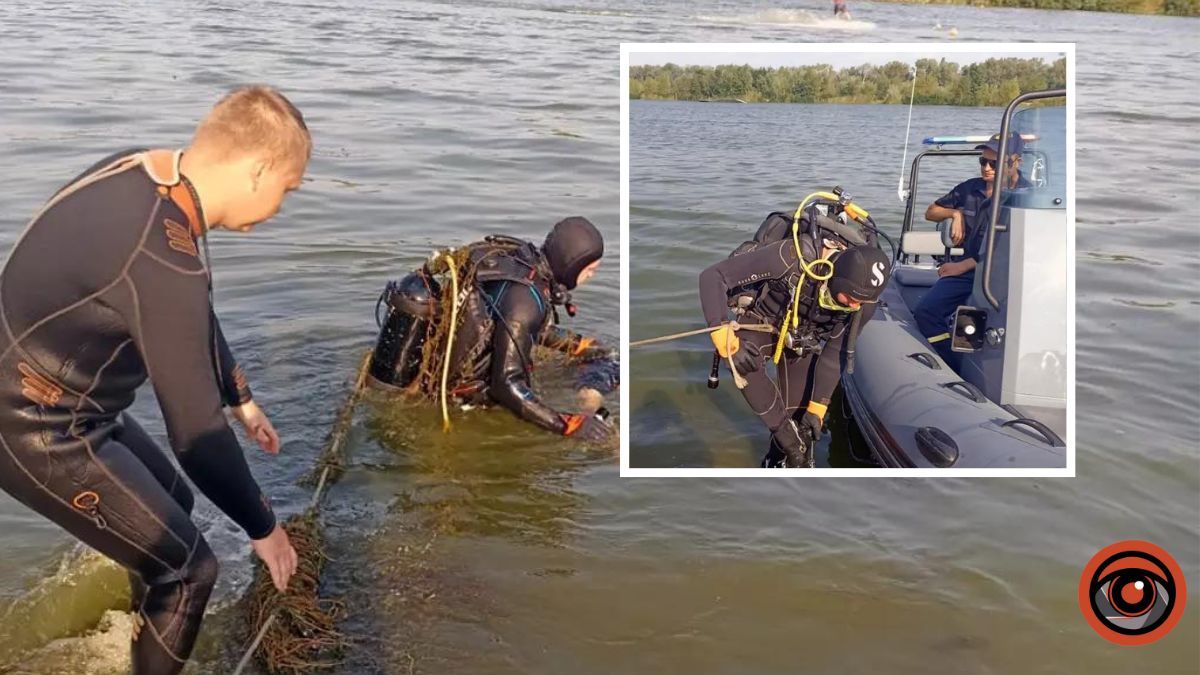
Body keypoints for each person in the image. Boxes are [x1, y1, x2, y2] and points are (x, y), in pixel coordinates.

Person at [0, 86, 310, 674]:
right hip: (30, 421)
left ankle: (135, 641)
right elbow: (195, 436)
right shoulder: (160, 251)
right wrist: (265, 527)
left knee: (176, 506)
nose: (278, 209)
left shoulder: (150, 177)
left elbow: (191, 311)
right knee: (190, 571)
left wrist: (240, 397)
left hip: (67, 402)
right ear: (258, 169)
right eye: (285, 191)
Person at [368, 217, 615, 442]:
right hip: (459, 403)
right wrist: (567, 425)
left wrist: (578, 344)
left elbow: (513, 325)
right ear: (571, 264)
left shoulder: (513, 262)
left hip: (431, 372)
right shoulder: (527, 299)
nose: (590, 277)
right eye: (590, 269)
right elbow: (506, 385)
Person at [698, 200, 892, 468]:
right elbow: (713, 277)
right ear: (832, 276)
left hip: (805, 337)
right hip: (764, 320)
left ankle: (777, 461)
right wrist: (721, 333)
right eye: (848, 298)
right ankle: (784, 438)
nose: (853, 306)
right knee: (741, 360)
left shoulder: (862, 304)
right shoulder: (790, 257)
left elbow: (834, 354)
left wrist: (818, 408)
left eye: (860, 302)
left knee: (802, 424)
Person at [913, 131, 1031, 370]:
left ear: (1016, 161)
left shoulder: (1031, 196)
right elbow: (931, 211)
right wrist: (954, 213)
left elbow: (1015, 249)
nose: (986, 168)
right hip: (970, 274)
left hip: (1010, 273)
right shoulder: (969, 189)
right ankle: (955, 365)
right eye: (983, 161)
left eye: (994, 163)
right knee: (926, 312)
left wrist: (963, 265)